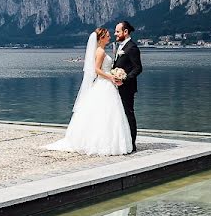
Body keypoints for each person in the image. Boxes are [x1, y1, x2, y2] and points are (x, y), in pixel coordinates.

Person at [45, 27, 132, 156]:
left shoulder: (100, 50)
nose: (110, 37)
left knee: (106, 114)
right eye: (107, 35)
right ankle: (103, 143)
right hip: (104, 84)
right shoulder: (100, 52)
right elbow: (97, 69)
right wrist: (111, 77)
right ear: (102, 38)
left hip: (106, 84)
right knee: (105, 113)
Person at [111, 21, 142, 153]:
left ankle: (132, 144)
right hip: (117, 86)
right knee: (120, 115)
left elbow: (138, 68)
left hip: (127, 87)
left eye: (117, 31)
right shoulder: (121, 46)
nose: (115, 34)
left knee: (128, 114)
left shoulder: (132, 47)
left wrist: (124, 79)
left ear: (125, 32)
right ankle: (124, 141)